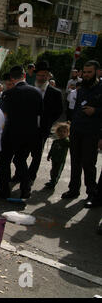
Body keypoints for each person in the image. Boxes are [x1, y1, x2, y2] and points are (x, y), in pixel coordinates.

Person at [0, 66, 43, 199]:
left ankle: (3, 191)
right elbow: (40, 113)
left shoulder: (8, 93)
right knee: (21, 161)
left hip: (10, 133)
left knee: (4, 162)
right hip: (29, 134)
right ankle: (25, 188)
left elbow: (3, 115)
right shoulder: (36, 92)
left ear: (12, 78)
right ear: (24, 76)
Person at [62, 60, 102, 201]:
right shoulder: (81, 89)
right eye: (84, 72)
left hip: (91, 133)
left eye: (89, 72)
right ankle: (73, 190)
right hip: (76, 130)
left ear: (97, 72)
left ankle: (92, 193)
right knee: (75, 161)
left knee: (88, 163)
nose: (86, 75)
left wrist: (96, 111)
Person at [26, 61, 63, 185]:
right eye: (39, 75)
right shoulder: (30, 90)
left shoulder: (55, 93)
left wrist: (48, 122)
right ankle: (19, 174)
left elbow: (59, 111)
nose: (41, 78)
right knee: (22, 154)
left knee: (36, 155)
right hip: (28, 127)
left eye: (44, 76)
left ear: (48, 76)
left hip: (42, 129)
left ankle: (31, 176)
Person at [45, 123, 70, 189]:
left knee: (57, 172)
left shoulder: (66, 142)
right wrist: (49, 155)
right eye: (60, 131)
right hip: (54, 159)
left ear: (67, 133)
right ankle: (52, 181)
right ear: (57, 132)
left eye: (64, 132)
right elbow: (52, 149)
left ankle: (53, 183)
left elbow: (72, 145)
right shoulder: (55, 141)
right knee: (52, 171)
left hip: (60, 160)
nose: (62, 133)